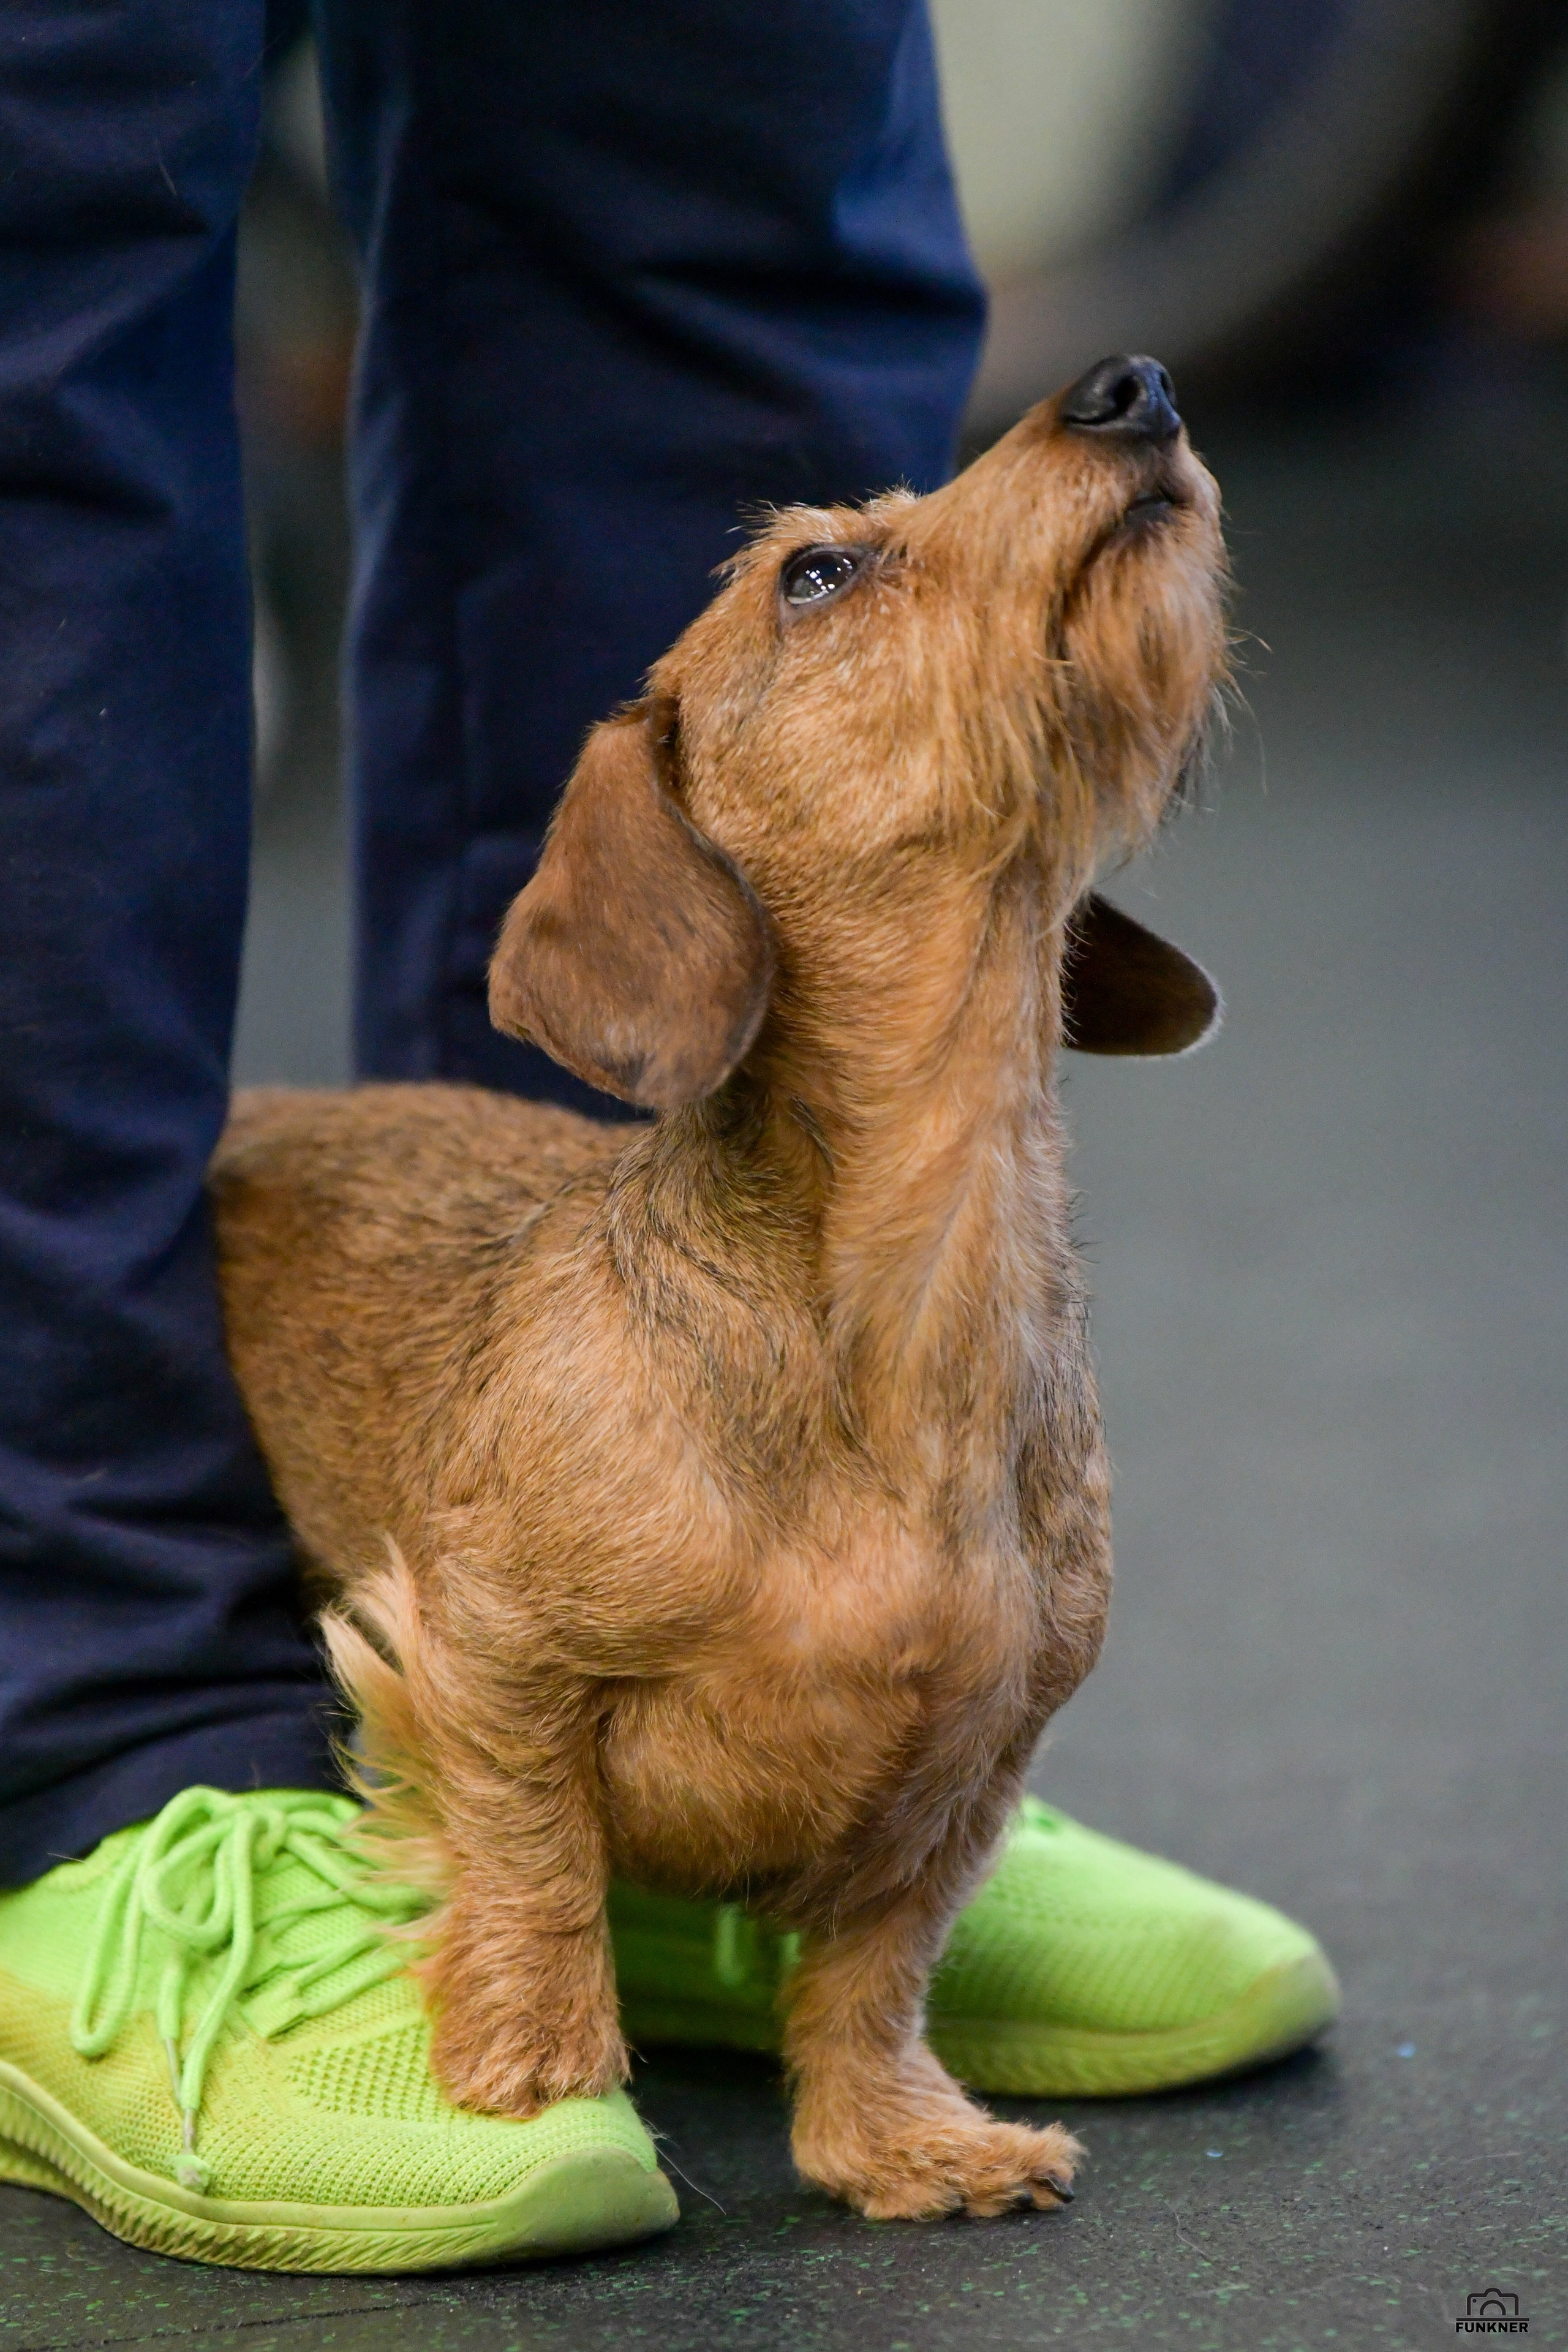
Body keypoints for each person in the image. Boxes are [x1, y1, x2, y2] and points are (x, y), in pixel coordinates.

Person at [0, 0, 1338, 2272]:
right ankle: (88, 1749)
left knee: (725, 154)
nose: (1091, 424)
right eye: (838, 575)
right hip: (508, 1447)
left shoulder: (1054, 1500)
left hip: (753, 1355)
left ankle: (787, 1878)